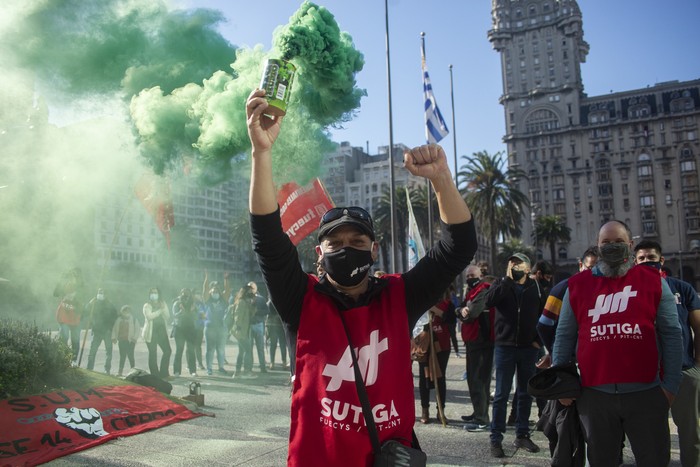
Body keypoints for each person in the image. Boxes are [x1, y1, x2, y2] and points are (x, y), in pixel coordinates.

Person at [245, 88, 476, 466]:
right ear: (318, 255)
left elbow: (458, 247)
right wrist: (261, 153)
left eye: (357, 240)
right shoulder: (300, 300)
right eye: (334, 242)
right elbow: (268, 238)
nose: (345, 247)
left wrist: (441, 180)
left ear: (374, 250)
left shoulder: (399, 296)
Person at [552, 220, 683, 466]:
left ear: (630, 245)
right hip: (594, 396)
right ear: (598, 246)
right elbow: (564, 335)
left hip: (646, 394)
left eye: (619, 242)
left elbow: (672, 333)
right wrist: (562, 384)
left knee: (654, 460)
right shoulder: (577, 285)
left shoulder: (653, 280)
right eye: (606, 243)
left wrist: (671, 386)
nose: (613, 247)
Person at [633, 239, 700, 467]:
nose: (646, 262)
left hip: (683, 370)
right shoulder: (629, 291)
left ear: (661, 260)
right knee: (651, 434)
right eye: (641, 258)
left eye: (651, 257)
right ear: (634, 262)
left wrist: (697, 367)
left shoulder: (681, 288)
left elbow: (698, 328)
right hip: (647, 376)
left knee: (691, 432)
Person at [485, 252, 544, 457]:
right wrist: (508, 281)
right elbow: (488, 302)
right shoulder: (501, 284)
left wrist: (538, 341)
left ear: (528, 267)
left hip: (529, 347)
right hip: (505, 347)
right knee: (501, 394)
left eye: (518, 262)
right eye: (512, 262)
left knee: (525, 392)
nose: (514, 265)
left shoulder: (535, 287)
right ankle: (496, 438)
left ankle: (522, 434)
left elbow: (545, 315)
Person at [458, 264, 495, 432]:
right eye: (467, 275)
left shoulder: (484, 290)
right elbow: (459, 309)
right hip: (473, 341)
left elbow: (472, 314)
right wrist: (461, 311)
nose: (469, 278)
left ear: (480, 275)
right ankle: (478, 412)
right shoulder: (471, 291)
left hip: (482, 342)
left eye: (472, 275)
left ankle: (482, 419)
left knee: (479, 380)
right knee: (474, 379)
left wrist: (464, 313)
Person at [417, 291, 455, 424]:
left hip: (442, 345)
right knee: (424, 377)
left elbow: (451, 319)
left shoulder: (447, 304)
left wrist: (434, 309)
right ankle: (425, 410)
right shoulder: (421, 303)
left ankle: (441, 410)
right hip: (425, 345)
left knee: (440, 377)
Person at [85, 288, 118, 374]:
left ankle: (107, 369)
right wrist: (90, 303)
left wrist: (110, 329)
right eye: (99, 292)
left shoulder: (110, 305)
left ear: (105, 295)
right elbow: (85, 311)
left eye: (102, 293)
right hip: (96, 331)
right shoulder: (94, 303)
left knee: (108, 352)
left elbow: (115, 317)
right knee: (92, 351)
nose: (100, 294)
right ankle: (89, 368)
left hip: (107, 332)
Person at [142, 287, 171, 378]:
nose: (153, 294)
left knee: (167, 351)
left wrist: (163, 308)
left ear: (159, 294)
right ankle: (155, 375)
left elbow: (167, 317)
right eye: (152, 293)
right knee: (153, 353)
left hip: (161, 331)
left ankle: (164, 373)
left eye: (155, 292)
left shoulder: (163, 303)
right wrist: (160, 310)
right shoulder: (147, 305)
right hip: (151, 332)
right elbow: (149, 317)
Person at [203, 279, 231, 375]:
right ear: (210, 292)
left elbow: (227, 291)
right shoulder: (208, 300)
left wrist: (226, 280)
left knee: (221, 349)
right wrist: (207, 279)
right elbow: (205, 290)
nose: (215, 293)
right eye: (213, 291)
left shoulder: (223, 301)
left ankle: (221, 367)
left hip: (221, 328)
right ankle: (209, 368)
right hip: (210, 327)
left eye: (217, 291)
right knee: (210, 349)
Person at [171, 288, 198, 377]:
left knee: (191, 350)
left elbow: (198, 316)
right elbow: (174, 315)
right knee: (179, 350)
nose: (185, 295)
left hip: (190, 329)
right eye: (183, 293)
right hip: (179, 329)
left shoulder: (193, 304)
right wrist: (181, 311)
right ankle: (177, 371)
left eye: (187, 293)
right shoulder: (177, 303)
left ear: (190, 294)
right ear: (180, 294)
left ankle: (192, 370)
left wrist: (192, 310)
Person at [231, 285, 255, 379]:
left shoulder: (246, 302)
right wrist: (238, 327)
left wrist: (253, 304)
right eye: (249, 291)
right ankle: (246, 372)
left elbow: (251, 315)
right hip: (241, 331)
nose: (251, 293)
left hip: (244, 330)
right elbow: (237, 315)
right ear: (244, 292)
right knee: (248, 350)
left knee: (241, 352)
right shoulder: (241, 302)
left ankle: (237, 373)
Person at [55, 285, 82, 364]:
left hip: (75, 320)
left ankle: (73, 360)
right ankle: (63, 358)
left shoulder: (80, 291)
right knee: (64, 337)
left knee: (75, 340)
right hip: (63, 319)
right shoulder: (63, 287)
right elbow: (55, 293)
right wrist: (60, 280)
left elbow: (82, 308)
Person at [247, 281, 269, 374]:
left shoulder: (261, 299)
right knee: (249, 348)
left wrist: (257, 312)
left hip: (258, 324)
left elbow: (266, 311)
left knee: (260, 347)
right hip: (249, 325)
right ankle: (250, 367)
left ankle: (262, 367)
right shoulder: (245, 299)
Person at [112, 305, 139, 376]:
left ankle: (133, 371)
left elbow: (137, 330)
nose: (126, 313)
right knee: (122, 356)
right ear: (122, 312)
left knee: (131, 356)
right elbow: (114, 329)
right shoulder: (118, 320)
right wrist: (114, 337)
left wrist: (134, 339)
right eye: (124, 311)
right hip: (121, 341)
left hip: (130, 341)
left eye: (128, 311)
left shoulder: (134, 319)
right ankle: (120, 371)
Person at [267, 299, 288, 370]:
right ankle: (282, 363)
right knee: (279, 345)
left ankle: (274, 363)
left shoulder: (271, 302)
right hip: (278, 326)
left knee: (276, 345)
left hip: (276, 326)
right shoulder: (281, 302)